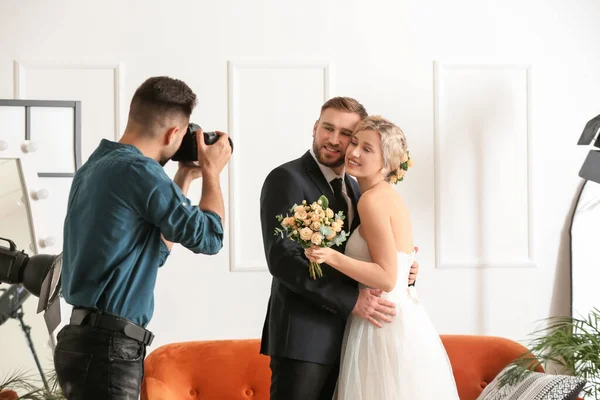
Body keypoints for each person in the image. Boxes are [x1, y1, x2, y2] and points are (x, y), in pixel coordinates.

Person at [53, 76, 232, 399]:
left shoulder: (97, 165)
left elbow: (155, 250)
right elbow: (209, 236)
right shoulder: (141, 172)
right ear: (174, 133)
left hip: (80, 341)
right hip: (109, 348)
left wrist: (183, 177)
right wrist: (211, 173)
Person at [259, 97, 420, 400]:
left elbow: (368, 255)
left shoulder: (359, 187)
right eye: (327, 128)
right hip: (304, 339)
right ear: (315, 127)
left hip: (354, 339)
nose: (333, 140)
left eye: (345, 134)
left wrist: (404, 270)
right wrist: (351, 299)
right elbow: (283, 260)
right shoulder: (287, 178)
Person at [305, 115, 460, 399]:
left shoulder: (372, 201)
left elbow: (387, 278)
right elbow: (399, 267)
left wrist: (330, 256)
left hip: (380, 323)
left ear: (387, 162)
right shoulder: (385, 195)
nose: (352, 152)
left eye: (367, 149)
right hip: (397, 318)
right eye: (355, 143)